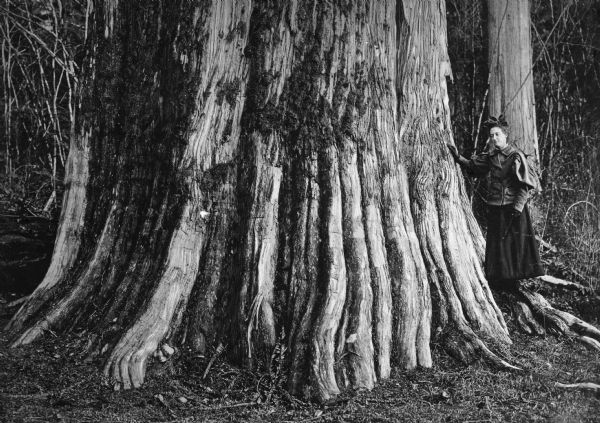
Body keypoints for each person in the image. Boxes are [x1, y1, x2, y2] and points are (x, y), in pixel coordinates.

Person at [447, 116, 545, 291]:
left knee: (513, 246)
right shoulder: (491, 156)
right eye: (491, 135)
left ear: (505, 136)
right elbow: (474, 166)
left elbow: (525, 185)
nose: (494, 138)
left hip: (513, 207)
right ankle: (498, 282)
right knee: (497, 245)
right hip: (495, 207)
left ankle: (513, 284)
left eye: (497, 135)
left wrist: (517, 206)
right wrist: (458, 158)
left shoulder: (515, 156)